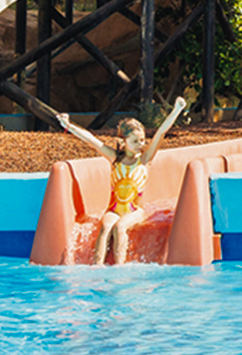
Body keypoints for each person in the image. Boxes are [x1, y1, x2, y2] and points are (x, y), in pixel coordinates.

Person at [54, 98, 187, 265]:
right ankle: (97, 266)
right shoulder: (115, 158)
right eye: (135, 141)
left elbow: (160, 132)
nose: (141, 144)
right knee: (105, 227)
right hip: (114, 209)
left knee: (120, 227)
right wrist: (68, 125)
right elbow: (92, 140)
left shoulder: (145, 159)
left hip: (135, 211)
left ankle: (119, 266)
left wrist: (176, 111)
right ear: (123, 143)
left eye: (142, 140)